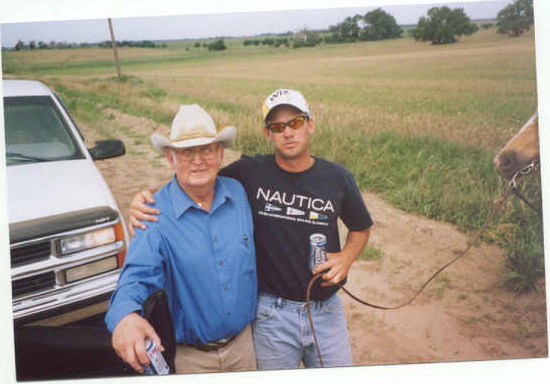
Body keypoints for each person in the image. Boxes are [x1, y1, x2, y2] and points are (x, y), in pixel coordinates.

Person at [129, 89, 373, 370]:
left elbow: (361, 228)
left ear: (310, 124)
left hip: (325, 310)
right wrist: (146, 198)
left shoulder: (337, 177)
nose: (288, 133)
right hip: (271, 316)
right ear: (267, 133)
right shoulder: (249, 173)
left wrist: (347, 257)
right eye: (277, 127)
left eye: (295, 122)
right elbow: (195, 177)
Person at [105, 104, 257, 374]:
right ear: (171, 158)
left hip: (245, 349)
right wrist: (125, 317)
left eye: (206, 149)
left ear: (220, 153)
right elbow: (137, 274)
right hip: (191, 361)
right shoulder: (153, 214)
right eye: (187, 151)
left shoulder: (239, 193)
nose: (198, 160)